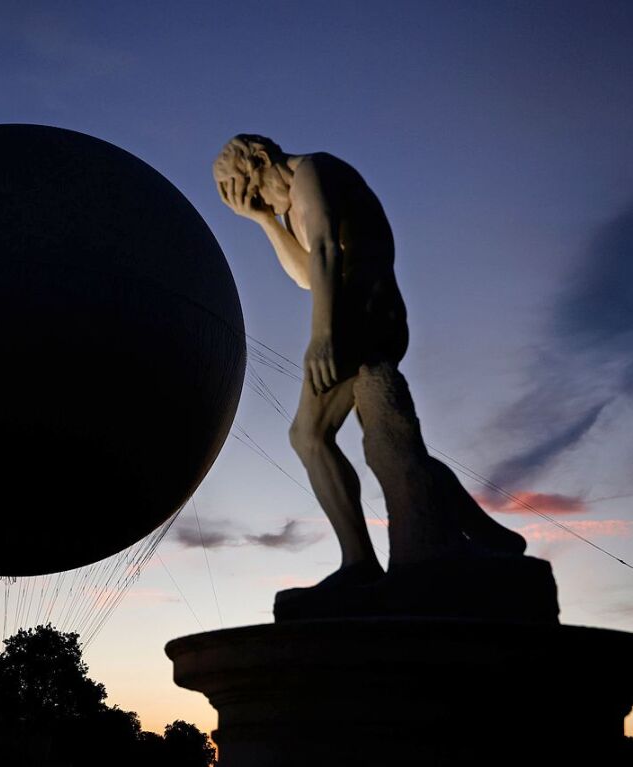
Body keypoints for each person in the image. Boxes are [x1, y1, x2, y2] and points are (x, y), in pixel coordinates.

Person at [213, 135, 523, 589]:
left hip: (363, 317)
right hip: (358, 317)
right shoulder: (290, 202)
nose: (257, 201)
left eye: (253, 193)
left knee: (309, 435)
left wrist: (322, 336)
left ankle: (358, 564)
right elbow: (305, 276)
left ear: (261, 159)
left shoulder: (313, 172)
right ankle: (493, 535)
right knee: (391, 444)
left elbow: (324, 252)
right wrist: (263, 220)